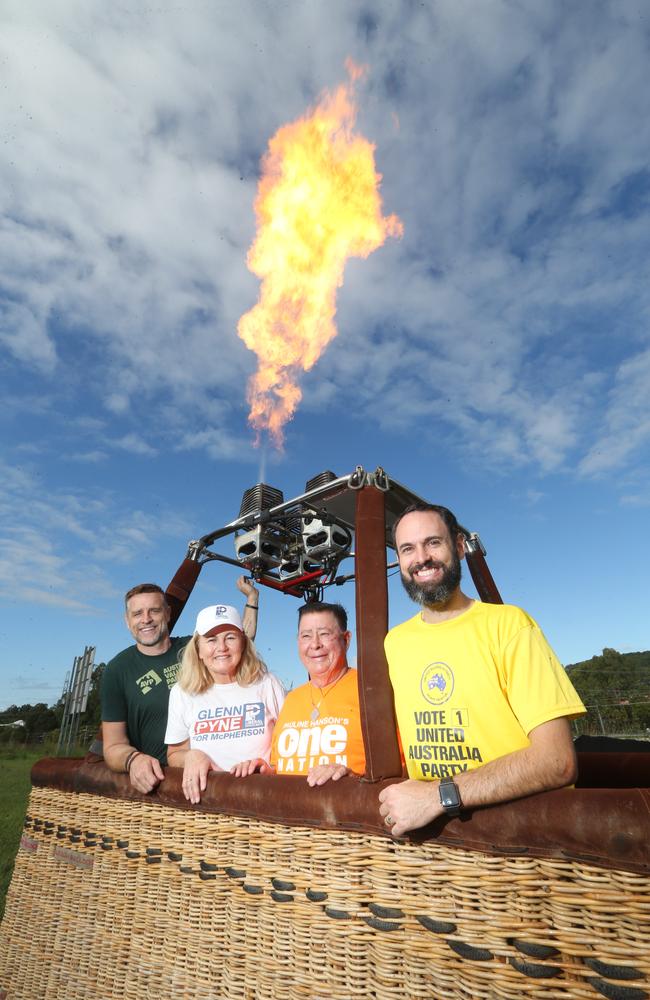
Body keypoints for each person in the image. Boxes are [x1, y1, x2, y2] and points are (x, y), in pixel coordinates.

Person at [378, 503, 586, 837]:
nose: (422, 558)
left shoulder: (510, 625)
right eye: (408, 549)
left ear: (458, 547)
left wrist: (438, 795)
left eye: (433, 542)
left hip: (523, 838)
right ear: (399, 560)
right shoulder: (395, 643)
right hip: (438, 843)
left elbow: (557, 760)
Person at [101, 576, 259, 795]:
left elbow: (242, 638)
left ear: (168, 613)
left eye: (154, 611)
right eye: (137, 613)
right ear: (127, 620)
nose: (146, 619)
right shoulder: (117, 670)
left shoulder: (192, 650)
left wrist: (252, 598)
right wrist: (133, 760)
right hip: (163, 783)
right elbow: (112, 746)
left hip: (216, 776)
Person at [165, 604, 285, 803]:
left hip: (264, 799)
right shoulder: (182, 692)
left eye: (230, 637)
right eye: (211, 639)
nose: (222, 648)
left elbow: (291, 744)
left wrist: (268, 767)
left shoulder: (266, 683)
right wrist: (191, 756)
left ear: (243, 643)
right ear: (198, 649)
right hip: (209, 804)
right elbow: (175, 753)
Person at [268, 602, 366, 785]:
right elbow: (277, 766)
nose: (315, 644)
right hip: (289, 811)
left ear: (346, 639)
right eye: (306, 636)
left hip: (348, 811)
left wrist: (352, 775)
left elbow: (399, 768)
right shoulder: (292, 699)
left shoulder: (370, 690)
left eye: (324, 634)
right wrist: (262, 770)